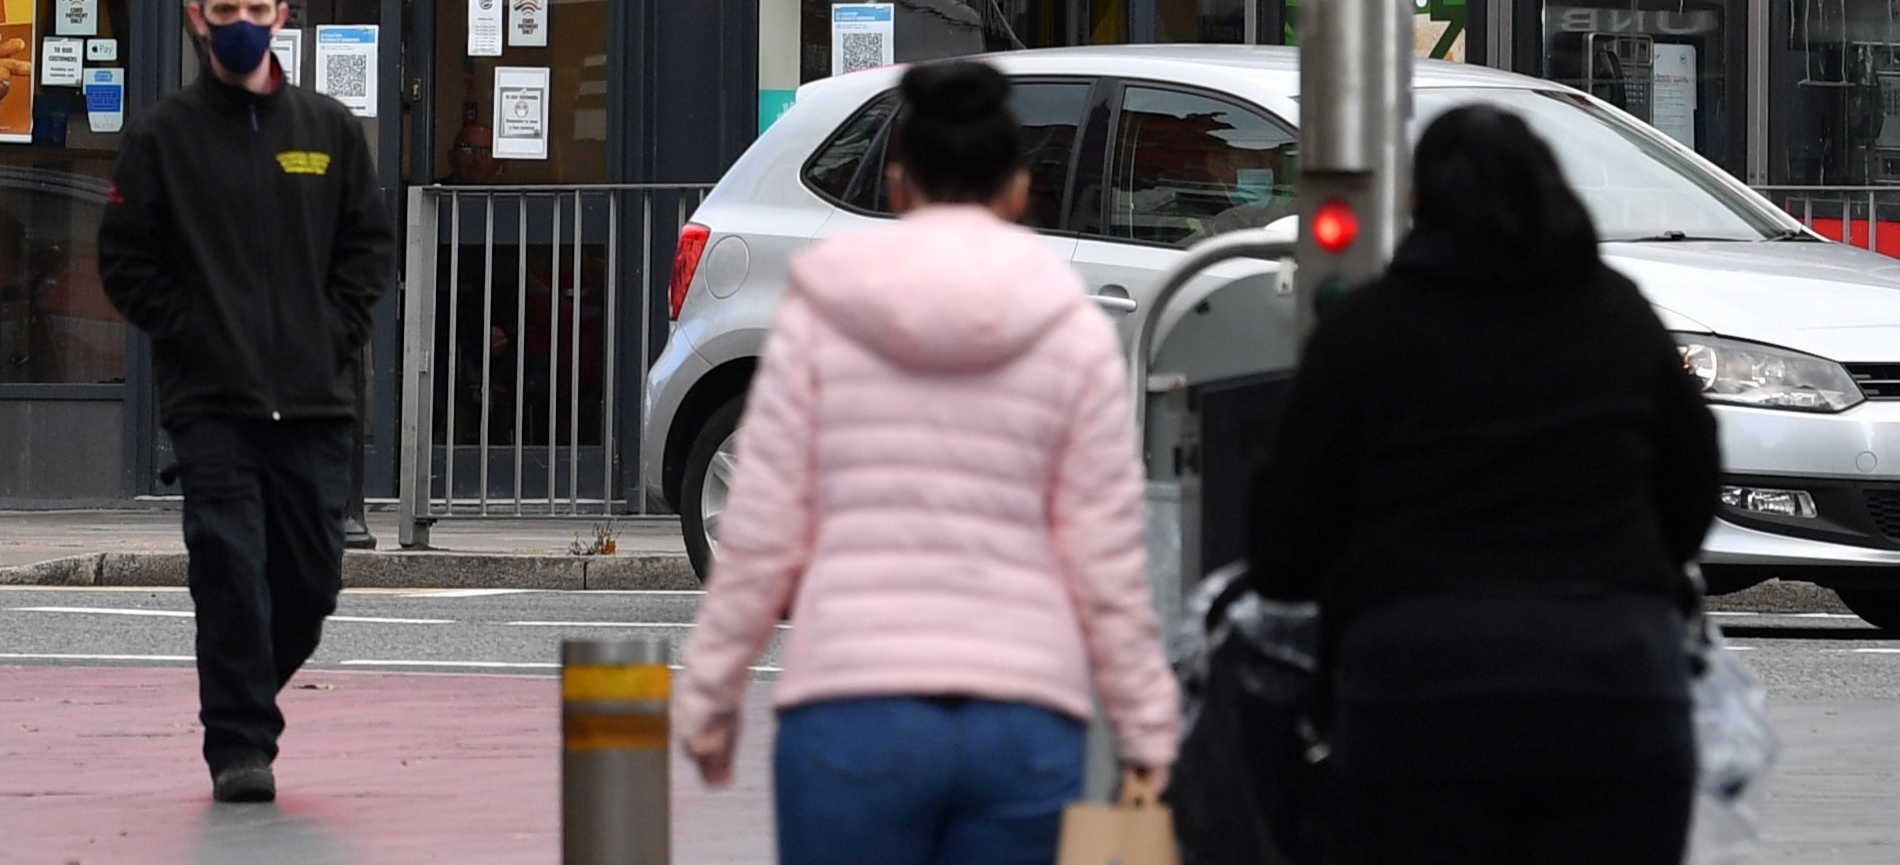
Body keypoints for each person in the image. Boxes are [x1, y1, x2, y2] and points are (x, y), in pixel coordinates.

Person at [674, 55, 1178, 865]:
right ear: (1018, 189)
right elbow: (1106, 556)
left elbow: (763, 526)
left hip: (849, 711)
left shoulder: (822, 311)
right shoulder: (1071, 328)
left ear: (899, 184)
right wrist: (1147, 720)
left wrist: (710, 691)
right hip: (1023, 717)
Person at [1247, 102, 1722, 865]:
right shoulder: (1618, 319)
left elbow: (1283, 539)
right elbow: (1694, 485)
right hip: (1614, 686)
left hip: (1415, 692)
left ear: (1419, 202)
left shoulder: (1367, 331)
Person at [94, 0, 397, 804]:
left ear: (280, 19)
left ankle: (249, 692)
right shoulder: (162, 136)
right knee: (228, 569)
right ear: (199, 19)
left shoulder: (328, 130)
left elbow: (366, 251)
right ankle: (238, 744)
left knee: (310, 579)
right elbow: (125, 261)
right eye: (224, 13)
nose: (239, 27)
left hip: (313, 401)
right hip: (212, 405)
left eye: (255, 12)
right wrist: (190, 333)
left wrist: (333, 333)